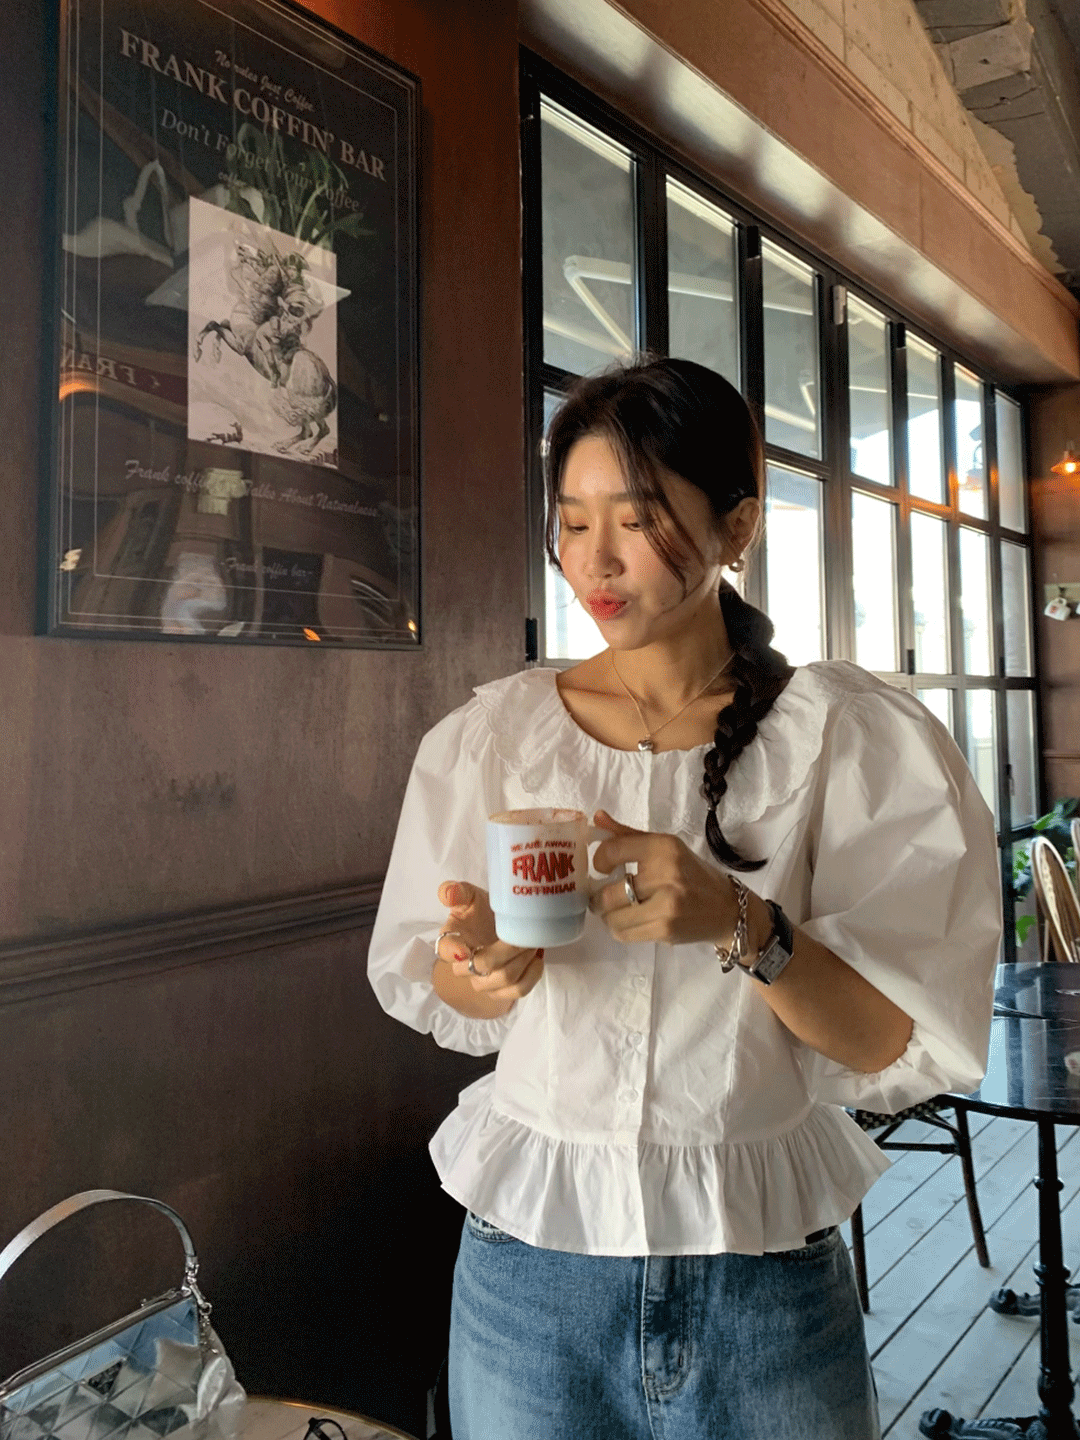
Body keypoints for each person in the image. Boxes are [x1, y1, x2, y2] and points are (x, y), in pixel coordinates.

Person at [367, 356, 1002, 1440]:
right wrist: (479, 961)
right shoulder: (496, 736)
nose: (594, 559)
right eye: (572, 522)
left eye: (637, 518)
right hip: (531, 1278)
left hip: (759, 1275)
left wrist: (737, 923)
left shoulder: (845, 737)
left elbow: (890, 1039)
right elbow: (442, 985)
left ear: (737, 526)